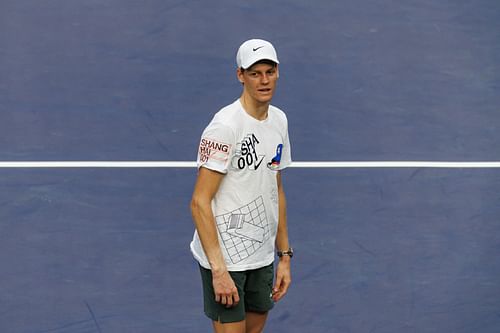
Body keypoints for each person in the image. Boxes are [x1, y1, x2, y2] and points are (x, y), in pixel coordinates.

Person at [190, 38, 293, 333]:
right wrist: (219, 271)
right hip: (226, 258)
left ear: (277, 73)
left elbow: (277, 189)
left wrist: (284, 256)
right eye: (254, 73)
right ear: (240, 75)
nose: (264, 81)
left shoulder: (279, 121)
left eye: (269, 72)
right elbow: (199, 202)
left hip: (260, 253)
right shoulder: (224, 128)